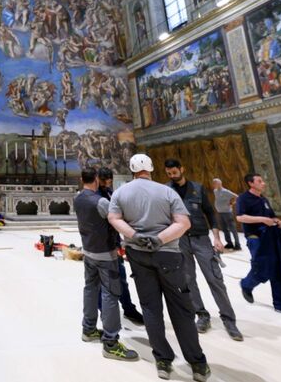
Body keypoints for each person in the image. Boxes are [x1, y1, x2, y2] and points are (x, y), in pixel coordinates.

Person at [108, 155, 210, 381]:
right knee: (181, 309)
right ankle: (197, 364)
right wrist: (159, 239)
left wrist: (135, 235)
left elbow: (113, 218)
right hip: (168, 255)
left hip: (138, 254)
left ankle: (163, 360)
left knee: (150, 308)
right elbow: (184, 223)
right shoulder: (167, 191)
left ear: (132, 169)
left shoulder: (120, 193)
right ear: (152, 168)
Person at [164, 159, 242, 342]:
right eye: (169, 173)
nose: (172, 176)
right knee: (188, 280)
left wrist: (217, 237)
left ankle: (229, 320)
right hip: (180, 241)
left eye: (174, 172)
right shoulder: (166, 190)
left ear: (182, 169)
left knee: (214, 279)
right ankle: (201, 315)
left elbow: (210, 213)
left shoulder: (197, 188)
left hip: (201, 239)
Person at [74, 167, 139, 362]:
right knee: (110, 293)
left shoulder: (78, 198)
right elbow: (116, 222)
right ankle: (111, 343)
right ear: (95, 179)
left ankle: (88, 329)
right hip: (105, 254)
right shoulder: (101, 201)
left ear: (81, 179)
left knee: (90, 289)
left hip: (88, 252)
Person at [236, 173, 281, 318]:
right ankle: (246, 284)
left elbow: (271, 216)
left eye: (263, 181)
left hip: (270, 237)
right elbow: (240, 217)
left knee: (278, 268)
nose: (263, 183)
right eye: (260, 181)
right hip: (255, 238)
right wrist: (262, 219)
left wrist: (276, 220)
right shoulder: (243, 198)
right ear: (251, 183)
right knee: (262, 268)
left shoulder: (263, 199)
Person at [96, 167, 144, 325]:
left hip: (114, 241)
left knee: (121, 279)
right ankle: (104, 312)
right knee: (102, 282)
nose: (107, 184)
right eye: (104, 181)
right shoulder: (95, 196)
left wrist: (119, 242)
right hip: (101, 245)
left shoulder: (111, 193)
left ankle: (128, 309)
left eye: (109, 181)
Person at [212, 178, 241, 250]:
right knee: (224, 229)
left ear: (219, 183)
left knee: (233, 229)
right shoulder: (215, 191)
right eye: (213, 183)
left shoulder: (225, 191)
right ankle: (229, 243)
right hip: (220, 212)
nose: (213, 184)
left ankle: (237, 244)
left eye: (215, 183)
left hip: (227, 213)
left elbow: (237, 197)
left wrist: (231, 203)